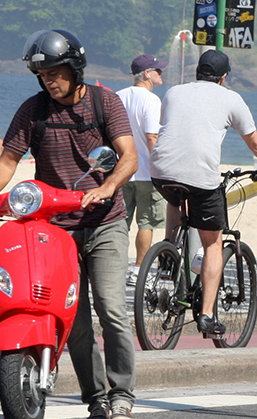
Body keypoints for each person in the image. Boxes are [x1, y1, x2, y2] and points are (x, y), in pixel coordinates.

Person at [0, 29, 138, 419]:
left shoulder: (103, 102)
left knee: (111, 309)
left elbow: (128, 156)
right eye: (43, 75)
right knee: (71, 319)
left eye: (56, 72)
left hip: (104, 222)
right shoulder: (34, 109)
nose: (49, 81)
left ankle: (123, 398)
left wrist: (107, 188)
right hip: (54, 230)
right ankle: (96, 401)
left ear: (74, 69)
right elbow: (9, 158)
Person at [149, 49, 257, 336]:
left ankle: (167, 259)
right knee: (213, 243)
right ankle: (207, 315)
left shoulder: (174, 92)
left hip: (160, 170)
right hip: (200, 176)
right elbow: (255, 142)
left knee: (176, 199)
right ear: (224, 77)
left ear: (198, 72)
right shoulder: (231, 98)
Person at [116, 54, 167, 286]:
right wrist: (161, 166)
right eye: (158, 71)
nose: (161, 74)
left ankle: (116, 268)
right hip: (146, 171)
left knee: (119, 224)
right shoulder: (151, 100)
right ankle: (138, 270)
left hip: (122, 170)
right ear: (147, 74)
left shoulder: (118, 97)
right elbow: (151, 136)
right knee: (146, 222)